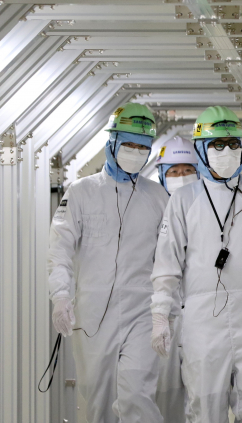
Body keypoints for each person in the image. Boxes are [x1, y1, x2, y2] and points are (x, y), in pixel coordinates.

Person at [149, 106, 242, 423]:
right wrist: (160, 314)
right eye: (217, 144)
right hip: (203, 320)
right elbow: (167, 263)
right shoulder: (184, 199)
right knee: (205, 407)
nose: (226, 151)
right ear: (202, 150)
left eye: (233, 143)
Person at [47, 103, 168, 423]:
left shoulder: (158, 198)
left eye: (143, 147)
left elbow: (170, 260)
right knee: (98, 405)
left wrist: (166, 311)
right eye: (129, 144)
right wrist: (60, 296)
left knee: (137, 396)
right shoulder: (81, 192)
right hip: (93, 316)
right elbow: (59, 249)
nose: (136, 152)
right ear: (111, 143)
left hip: (142, 313)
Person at [153, 135, 201, 423]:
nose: (181, 177)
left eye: (187, 170)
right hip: (165, 321)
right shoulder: (152, 209)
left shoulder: (211, 208)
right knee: (166, 399)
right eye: (173, 171)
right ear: (162, 175)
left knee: (206, 400)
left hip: (203, 319)